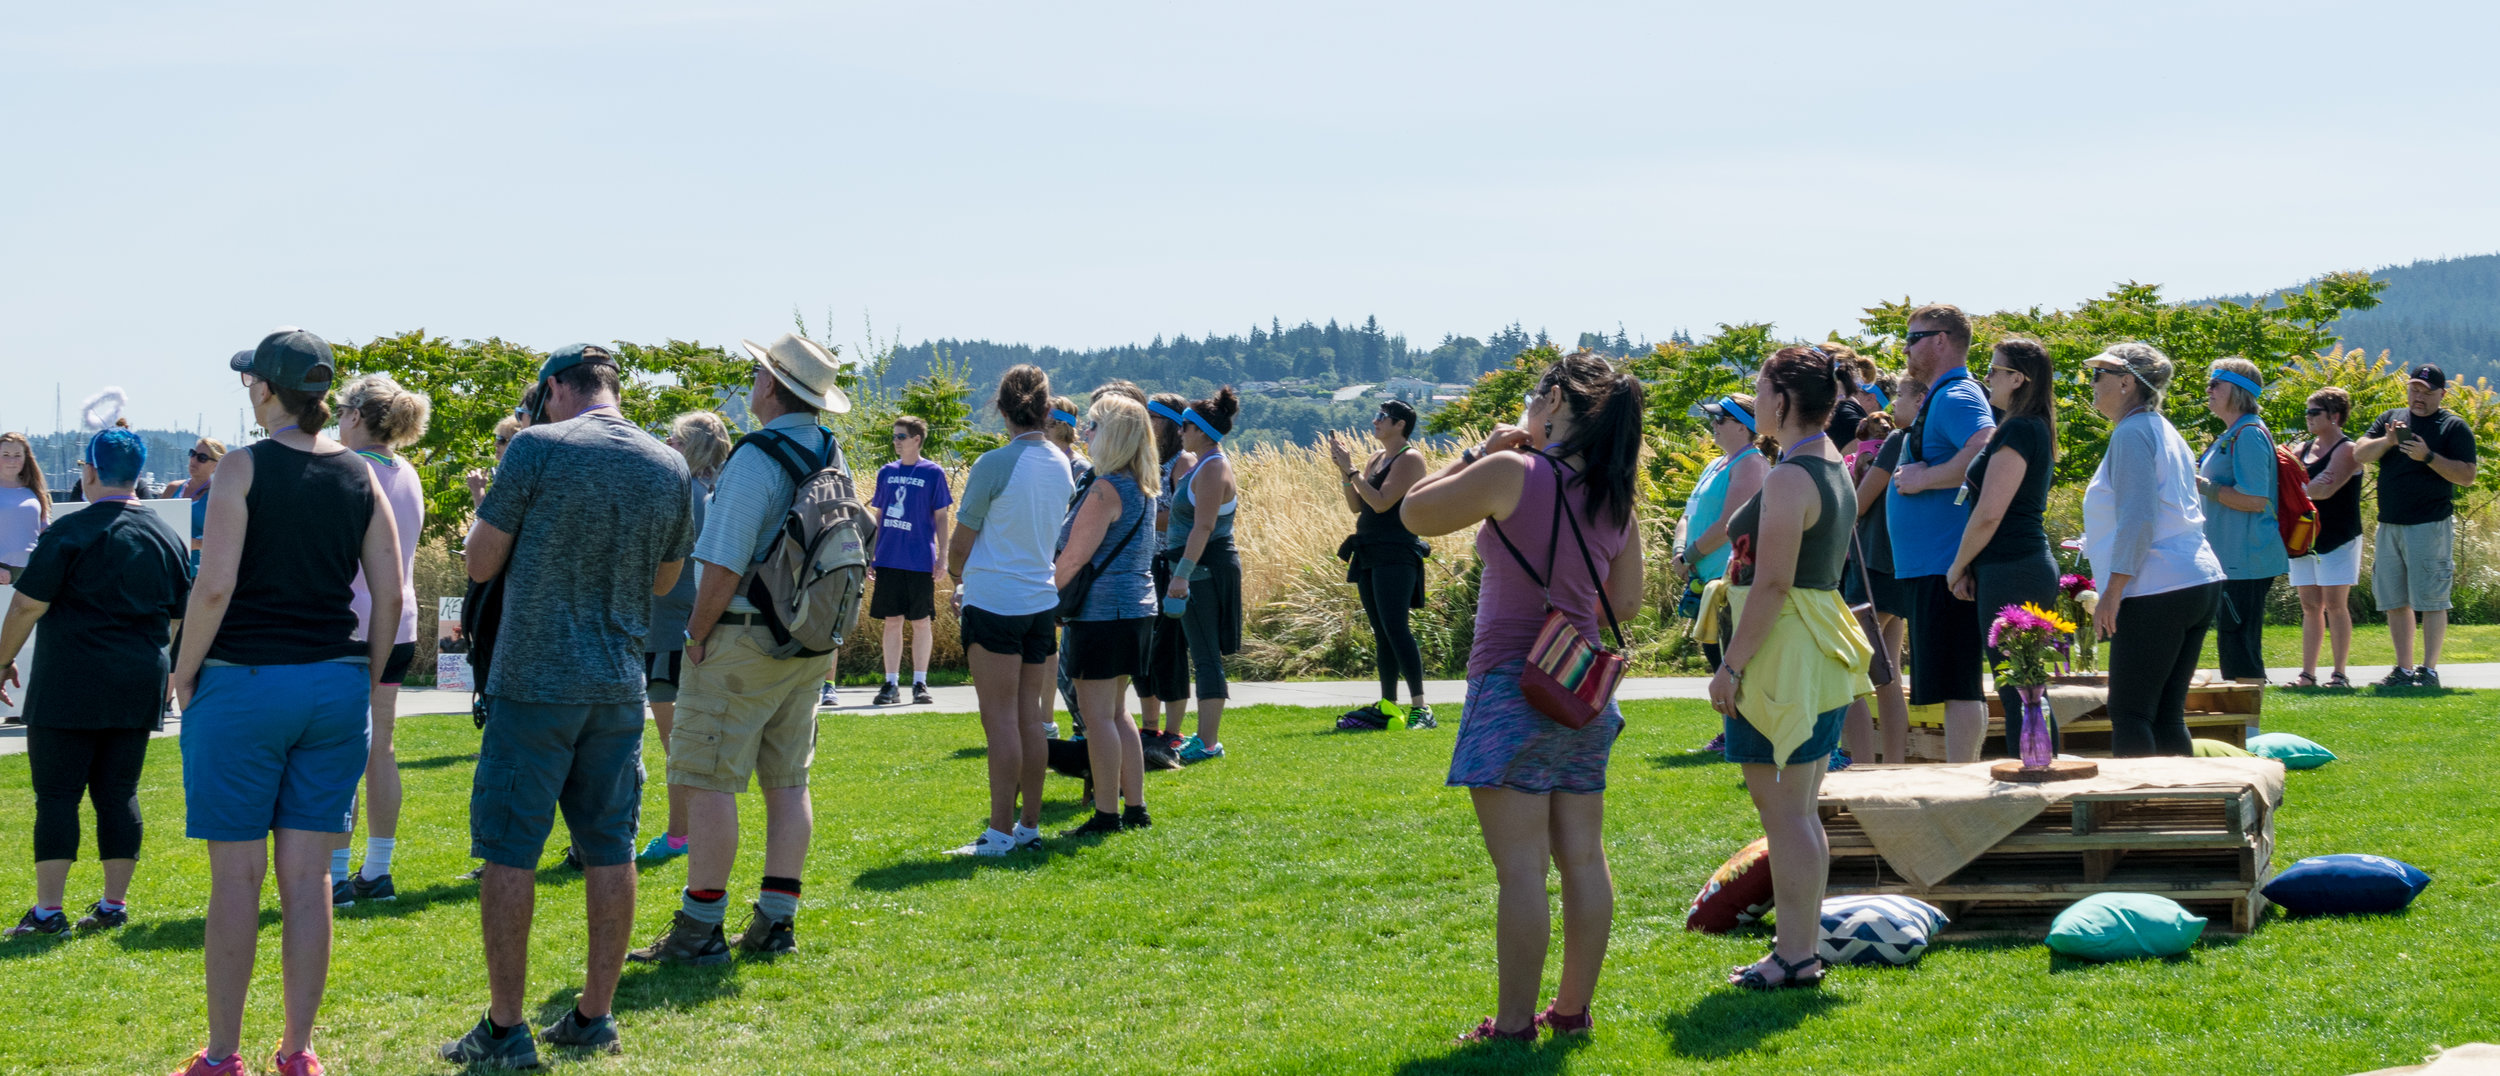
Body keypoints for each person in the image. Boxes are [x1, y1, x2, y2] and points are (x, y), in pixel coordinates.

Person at [439, 343, 693, 1066]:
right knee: (610, 848)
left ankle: (506, 1026)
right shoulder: (667, 461)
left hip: (534, 681)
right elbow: (667, 576)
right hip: (618, 681)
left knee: (510, 851)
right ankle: (594, 1016)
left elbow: (480, 563)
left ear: (555, 389)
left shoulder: (536, 449)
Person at [169, 329, 403, 1076]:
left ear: (266, 390)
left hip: (245, 682)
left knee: (236, 880)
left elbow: (214, 585)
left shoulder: (241, 468)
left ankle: (223, 1057)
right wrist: (363, 676)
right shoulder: (362, 476)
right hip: (333, 684)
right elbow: (391, 596)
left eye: (250, 381)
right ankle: (299, 1051)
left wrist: (183, 669)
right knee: (310, 881)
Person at [1401, 350, 1644, 1042]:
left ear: (1558, 402)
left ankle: (1512, 1025)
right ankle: (1571, 1011)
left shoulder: (1511, 469)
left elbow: (1415, 514)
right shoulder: (1613, 495)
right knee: (1584, 858)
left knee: (1521, 870)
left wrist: (1478, 452)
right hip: (1581, 692)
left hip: (1512, 683)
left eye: (1538, 396)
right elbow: (1624, 601)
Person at [629, 336, 850, 965]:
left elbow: (722, 561)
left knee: (706, 782)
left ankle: (699, 929)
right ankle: (776, 921)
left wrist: (696, 635)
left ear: (772, 385)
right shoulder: (827, 448)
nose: (752, 381)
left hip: (743, 638)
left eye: (758, 372)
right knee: (787, 781)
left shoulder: (757, 456)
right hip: (804, 638)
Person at [1709, 346, 1874, 990]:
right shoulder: (1831, 463)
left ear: (1781, 401)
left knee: (1785, 817)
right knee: (1799, 812)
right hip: (1815, 646)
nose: (1753, 402)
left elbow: (1774, 584)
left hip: (1783, 652)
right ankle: (1799, 953)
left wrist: (1731, 667)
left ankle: (1795, 955)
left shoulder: (1788, 476)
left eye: (1758, 390)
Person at [0, 429, 188, 938]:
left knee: (57, 795)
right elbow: (175, 618)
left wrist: (1, 662)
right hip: (137, 678)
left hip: (71, 679)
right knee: (118, 791)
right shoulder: (165, 536)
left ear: (88, 472)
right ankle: (112, 905)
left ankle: (47, 912)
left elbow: (26, 604)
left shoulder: (70, 531)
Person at [943, 365, 1075, 856]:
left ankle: (998, 834)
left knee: (998, 720)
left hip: (995, 601)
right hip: (1040, 603)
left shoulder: (994, 463)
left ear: (1001, 410)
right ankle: (1027, 827)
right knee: (1029, 719)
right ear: (1046, 409)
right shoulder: (1062, 462)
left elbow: (961, 543)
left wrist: (959, 579)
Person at [2081, 343, 2224, 757]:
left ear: (2126, 383)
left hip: (2156, 586)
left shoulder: (2132, 433)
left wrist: (2112, 592)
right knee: (2164, 713)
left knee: (2130, 713)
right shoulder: (2162, 428)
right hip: (2194, 580)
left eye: (2098, 375)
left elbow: (2140, 518)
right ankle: (2185, 811)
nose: (2091, 384)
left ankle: (2139, 813)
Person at [323, 374, 432, 907]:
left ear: (357, 416)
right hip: (401, 624)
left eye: (341, 412)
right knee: (380, 748)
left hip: (353, 625)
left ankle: (338, 876)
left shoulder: (351, 469)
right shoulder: (406, 470)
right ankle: (378, 870)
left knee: (342, 751)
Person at [1887, 303, 1996, 762]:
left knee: (1958, 683)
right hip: (1932, 563)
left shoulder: (1956, 396)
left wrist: (1924, 478)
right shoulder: (1942, 395)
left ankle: (1961, 781)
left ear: (1941, 340)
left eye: (1914, 338)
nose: (1906, 347)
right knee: (1954, 682)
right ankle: (1960, 776)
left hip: (1945, 563)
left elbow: (1987, 448)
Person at [1944, 339, 2061, 756]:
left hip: (2015, 567)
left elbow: (1991, 512)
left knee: (2021, 690)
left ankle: (2034, 783)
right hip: (2010, 566)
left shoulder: (2018, 428)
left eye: (1993, 370)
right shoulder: (2026, 425)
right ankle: (2036, 778)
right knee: (2022, 688)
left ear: (2017, 379)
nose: (1986, 377)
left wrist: (1957, 565)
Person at [1052, 395, 1161, 834]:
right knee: (1117, 712)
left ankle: (1106, 814)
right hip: (1137, 610)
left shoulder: (1105, 489)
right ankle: (1135, 809)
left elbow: (1074, 558)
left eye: (1093, 424)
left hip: (1101, 614)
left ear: (1113, 434)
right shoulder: (1143, 486)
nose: (1085, 432)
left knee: (1097, 717)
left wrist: (1040, 597)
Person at [638, 411, 729, 862]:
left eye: (671, 439)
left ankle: (679, 835)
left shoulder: (682, 491)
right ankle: (686, 832)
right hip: (691, 627)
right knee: (688, 740)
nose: (664, 445)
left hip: (671, 630)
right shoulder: (714, 491)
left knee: (677, 743)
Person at [2354, 363, 2478, 688]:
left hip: (2430, 525)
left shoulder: (2453, 426)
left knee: (2432, 600)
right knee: (2395, 601)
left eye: (2426, 391)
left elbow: (2467, 476)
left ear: (2442, 394)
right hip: (2389, 524)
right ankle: (2404, 670)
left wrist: (2428, 456)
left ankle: (2429, 671)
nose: (2418, 396)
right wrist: (2388, 441)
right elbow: (2359, 453)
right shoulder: (2390, 420)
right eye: (2414, 389)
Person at [1328, 399, 1435, 731]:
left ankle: (1421, 708)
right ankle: (1389, 705)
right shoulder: (1376, 458)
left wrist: (1350, 469)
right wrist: (1344, 472)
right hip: (1369, 551)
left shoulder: (1410, 458)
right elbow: (1357, 506)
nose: (1375, 421)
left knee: (1396, 627)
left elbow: (1383, 501)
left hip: (1396, 552)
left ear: (1399, 424)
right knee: (1382, 633)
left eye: (1381, 417)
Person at [1841, 374, 1923, 764]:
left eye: (1901, 396)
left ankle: (1860, 763)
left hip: (1874, 565)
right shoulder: (1924, 441)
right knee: (1887, 676)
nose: (1892, 406)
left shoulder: (1896, 442)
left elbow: (1858, 503)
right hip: (1900, 564)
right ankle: (1894, 763)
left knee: (1849, 669)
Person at [2195, 358, 2288, 685]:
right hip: (2231, 560)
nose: (2208, 389)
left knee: (2241, 654)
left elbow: (2255, 499)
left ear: (2237, 391)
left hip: (2246, 560)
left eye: (2215, 383)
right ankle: (2245, 727)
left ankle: (2249, 729)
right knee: (2233, 649)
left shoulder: (2248, 434)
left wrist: (2203, 486)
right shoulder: (2232, 433)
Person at [1164, 388, 1243, 763]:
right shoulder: (1201, 464)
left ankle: (1208, 742)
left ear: (1200, 430)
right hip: (1194, 568)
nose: (1180, 433)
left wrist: (1181, 576)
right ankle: (1204, 738)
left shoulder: (1213, 468)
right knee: (1201, 653)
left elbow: (1204, 527)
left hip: (1202, 570)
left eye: (1184, 427)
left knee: (1206, 655)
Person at [1673, 395, 1769, 673]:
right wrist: (1679, 552)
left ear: (1743, 427)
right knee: (1718, 666)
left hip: (1729, 582)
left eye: (1720, 419)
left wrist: (1688, 557)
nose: (1712, 424)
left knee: (1732, 671)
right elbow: (1688, 514)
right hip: (1704, 580)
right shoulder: (1715, 464)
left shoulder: (1751, 464)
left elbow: (1730, 523)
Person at [869, 415, 951, 707]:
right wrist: (871, 554)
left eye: (901, 436)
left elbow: (941, 517)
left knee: (920, 621)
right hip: (889, 558)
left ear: (917, 439)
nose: (896, 442)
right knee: (892, 621)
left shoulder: (933, 472)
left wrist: (943, 555)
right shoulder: (886, 473)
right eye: (894, 437)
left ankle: (920, 682)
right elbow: (878, 516)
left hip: (919, 560)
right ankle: (890, 683)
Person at [1134, 393, 1197, 759]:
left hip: (1170, 563)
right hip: (1144, 562)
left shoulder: (1183, 462)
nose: (1149, 425)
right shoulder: (1147, 459)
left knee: (1170, 649)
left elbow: (1185, 518)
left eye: (1154, 418)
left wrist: (1140, 515)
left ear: (1173, 424)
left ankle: (1173, 732)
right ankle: (1149, 726)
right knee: (1143, 650)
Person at [2290, 388, 2362, 688]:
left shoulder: (2348, 449)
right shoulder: (2300, 450)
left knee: (2335, 604)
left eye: (2314, 412)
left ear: (2334, 416)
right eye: (2307, 412)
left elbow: (2322, 489)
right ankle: (2307, 674)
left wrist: (2292, 491)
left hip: (2338, 537)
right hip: (2304, 537)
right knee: (2309, 605)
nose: (2308, 418)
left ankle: (2340, 673)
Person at [0, 431, 48, 587]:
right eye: (6, 454)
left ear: (25, 458)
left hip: (32, 572)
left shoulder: (34, 490)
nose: (12, 461)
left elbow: (44, 529)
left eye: (17, 455)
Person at [180, 438, 228, 575]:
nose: (194, 460)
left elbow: (226, 540)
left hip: (195, 573)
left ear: (216, 465)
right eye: (193, 453)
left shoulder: (218, 497)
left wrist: (197, 543)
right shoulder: (173, 488)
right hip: (167, 569)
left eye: (202, 458)